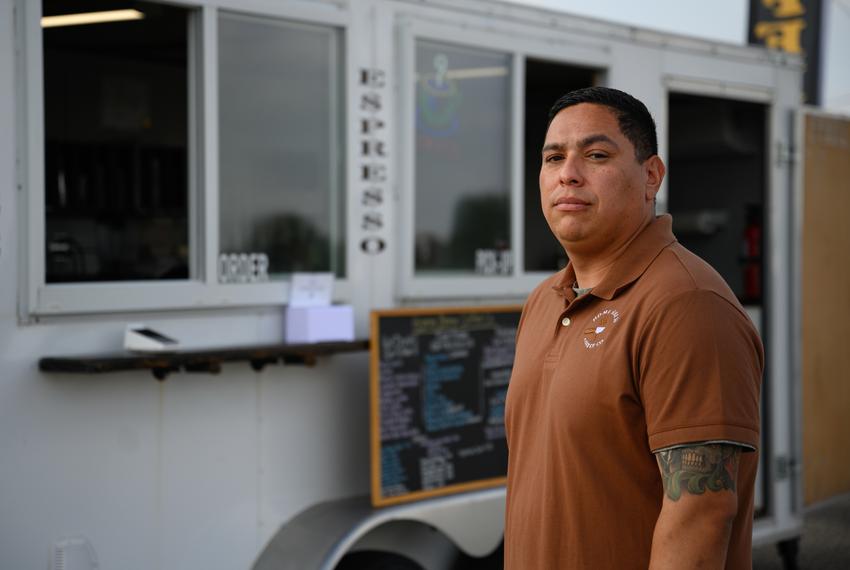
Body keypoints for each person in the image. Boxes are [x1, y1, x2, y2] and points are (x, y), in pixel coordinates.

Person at [504, 86, 763, 569]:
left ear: (651, 176)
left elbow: (700, 516)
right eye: (553, 157)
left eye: (596, 155)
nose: (568, 174)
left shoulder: (686, 304)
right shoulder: (543, 302)